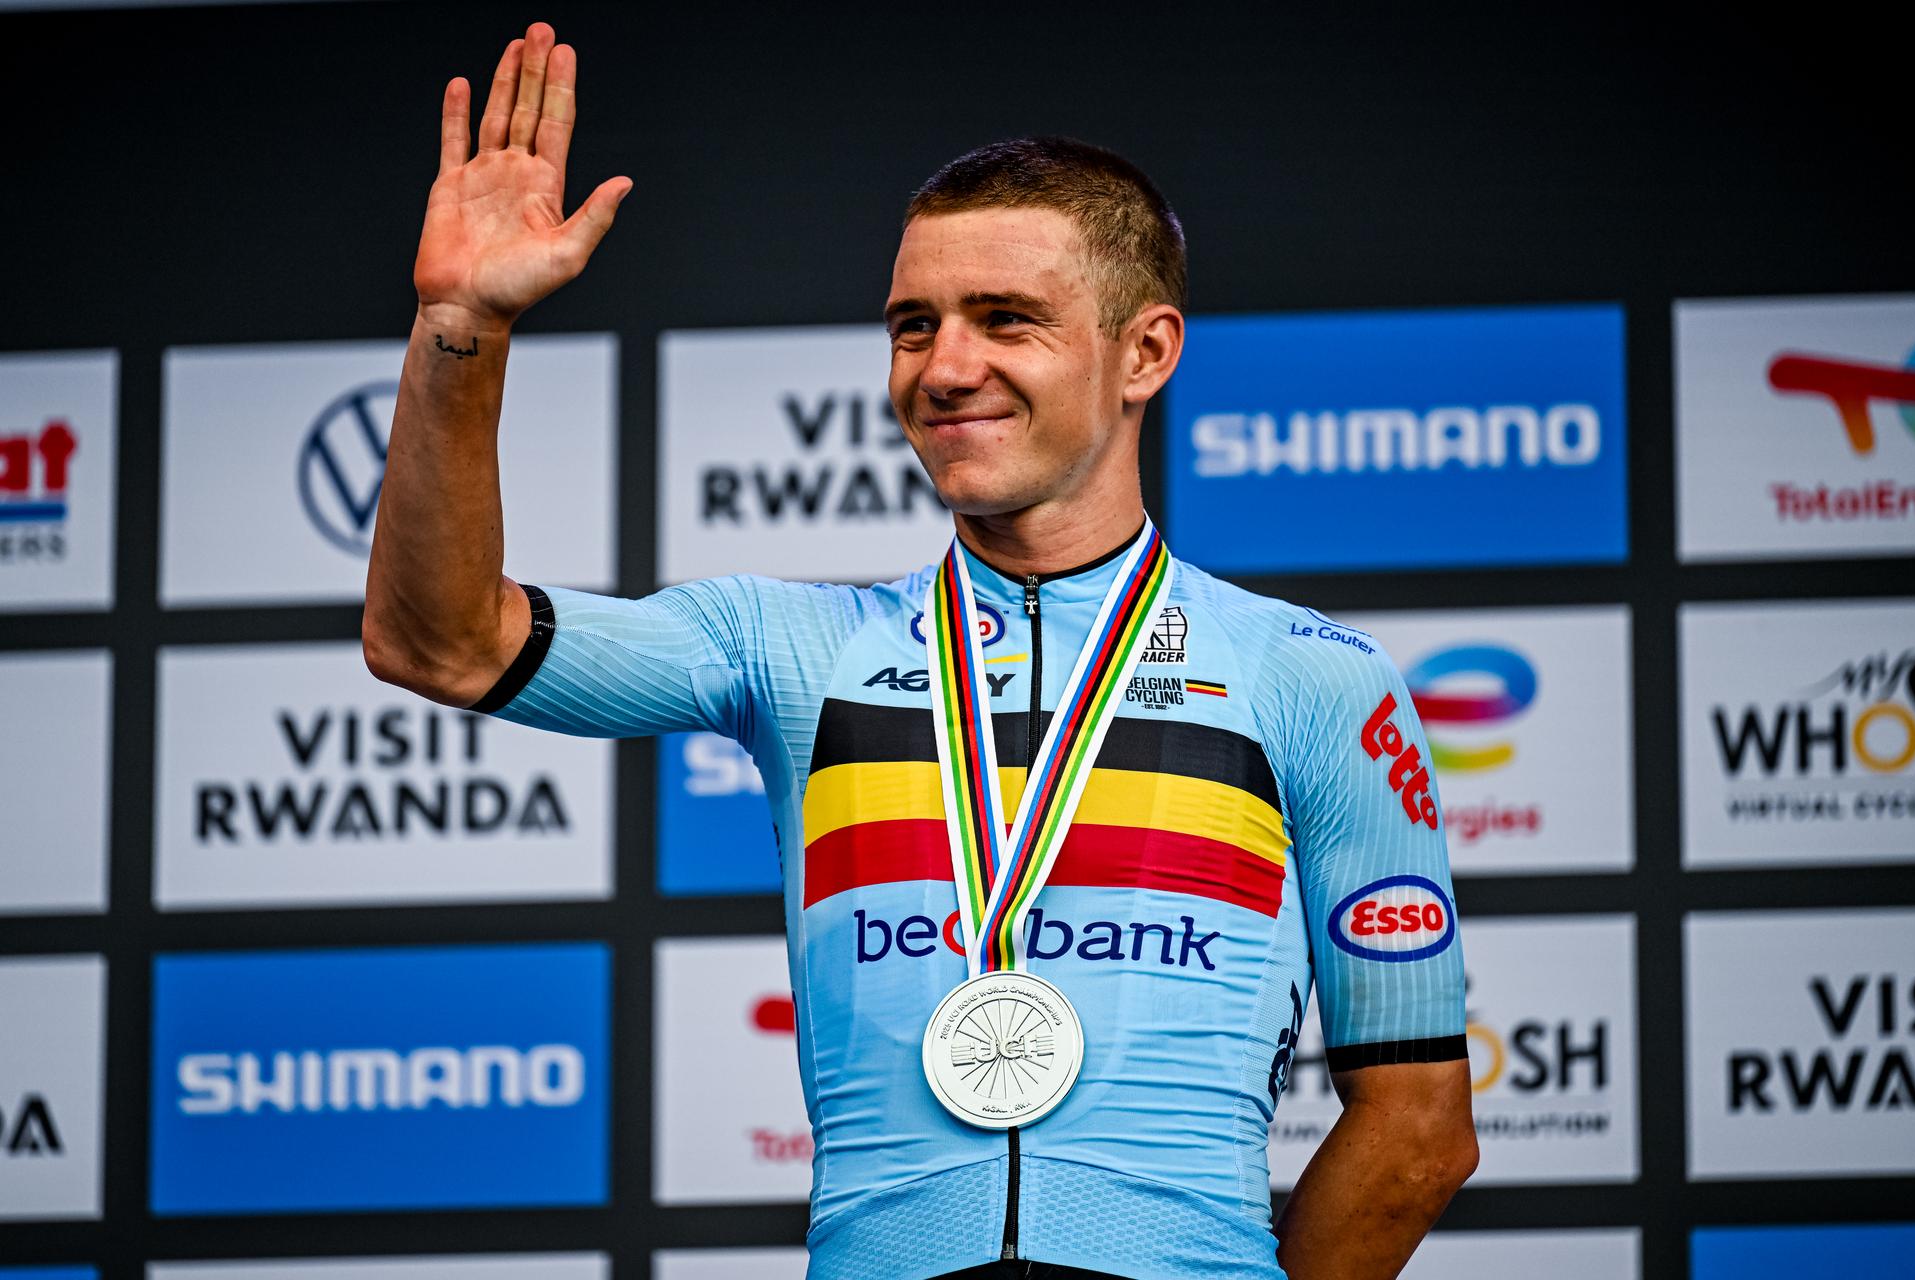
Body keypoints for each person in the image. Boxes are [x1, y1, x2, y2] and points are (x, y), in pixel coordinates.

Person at [364, 21, 1477, 1280]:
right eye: (913, 324)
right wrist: (462, 325)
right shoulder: (788, 647)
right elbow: (438, 642)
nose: (947, 367)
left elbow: (1419, 1127)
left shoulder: (1311, 675)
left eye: (1006, 318)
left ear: (1145, 353)